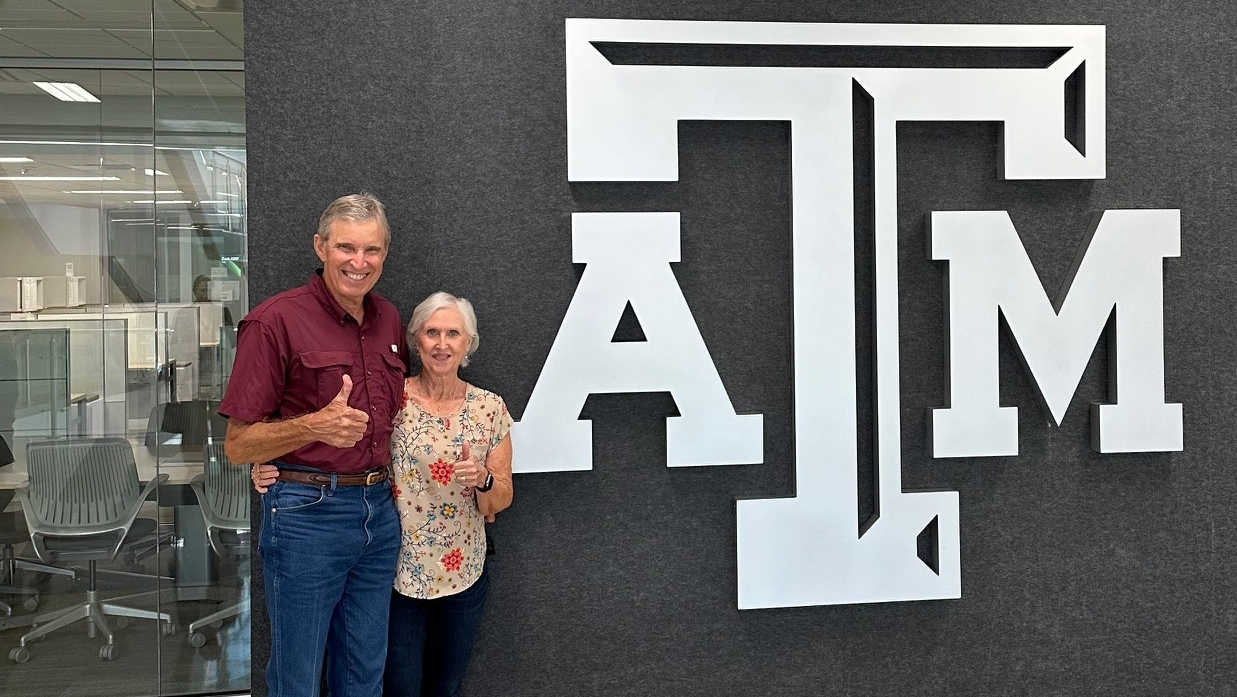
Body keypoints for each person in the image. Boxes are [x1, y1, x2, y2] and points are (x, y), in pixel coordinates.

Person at [253, 291, 514, 697]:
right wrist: (275, 463)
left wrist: (482, 479)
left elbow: (500, 499)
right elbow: (339, 443)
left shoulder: (489, 408)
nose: (442, 344)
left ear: (469, 343)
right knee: (394, 686)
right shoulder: (392, 396)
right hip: (394, 569)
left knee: (444, 687)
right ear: (415, 340)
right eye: (432, 333)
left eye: (453, 334)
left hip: (463, 571)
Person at [219, 192, 407, 697]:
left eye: (371, 251)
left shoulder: (389, 319)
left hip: (378, 512)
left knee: (364, 672)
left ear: (384, 254)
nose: (358, 262)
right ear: (320, 247)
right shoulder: (274, 321)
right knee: (297, 675)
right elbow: (237, 445)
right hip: (307, 515)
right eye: (346, 247)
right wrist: (312, 427)